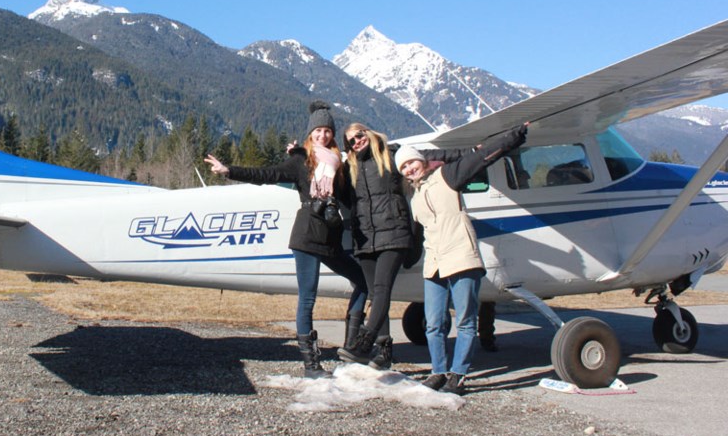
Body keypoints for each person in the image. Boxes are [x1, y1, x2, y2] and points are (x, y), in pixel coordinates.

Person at [204, 101, 368, 379]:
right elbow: (268, 174)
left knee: (363, 282)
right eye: (318, 130)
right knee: (308, 298)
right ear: (310, 133)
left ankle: (352, 347)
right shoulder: (301, 160)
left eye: (327, 130)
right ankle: (311, 365)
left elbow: (350, 198)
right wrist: (228, 170)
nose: (323, 135)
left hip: (330, 238)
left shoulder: (339, 164)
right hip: (306, 234)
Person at [396, 123, 528, 395]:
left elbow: (481, 157)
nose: (409, 169)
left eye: (411, 163)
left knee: (466, 321)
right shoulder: (415, 194)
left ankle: (458, 374)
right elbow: (419, 231)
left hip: (461, 256)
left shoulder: (448, 175)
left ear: (421, 161)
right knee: (434, 323)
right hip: (434, 263)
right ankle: (438, 372)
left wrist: (513, 136)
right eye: (404, 167)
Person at [335, 124, 418, 370]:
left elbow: (427, 160)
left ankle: (365, 342)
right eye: (350, 141)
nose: (356, 141)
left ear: (368, 133)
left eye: (359, 136)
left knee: (381, 290)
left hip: (393, 235)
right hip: (365, 239)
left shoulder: (392, 155)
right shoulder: (349, 167)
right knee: (375, 293)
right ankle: (383, 352)